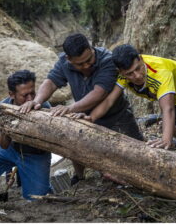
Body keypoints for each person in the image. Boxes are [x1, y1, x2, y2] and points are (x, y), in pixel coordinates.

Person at [19, 33, 143, 186]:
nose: (86, 66)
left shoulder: (108, 60)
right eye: (80, 64)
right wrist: (36, 101)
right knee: (81, 149)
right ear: (69, 59)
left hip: (118, 116)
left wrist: (70, 108)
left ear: (91, 48)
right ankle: (80, 178)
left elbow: (100, 93)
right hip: (85, 118)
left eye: (89, 60)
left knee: (138, 155)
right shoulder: (63, 63)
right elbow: (51, 82)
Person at [77, 44, 176, 152]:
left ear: (141, 59)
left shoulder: (160, 71)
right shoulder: (123, 76)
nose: (136, 76)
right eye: (129, 73)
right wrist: (91, 118)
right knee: (173, 127)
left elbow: (167, 109)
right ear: (121, 72)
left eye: (138, 68)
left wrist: (165, 140)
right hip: (169, 96)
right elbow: (109, 101)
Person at [0, 70, 51, 200]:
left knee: (36, 199)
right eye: (25, 95)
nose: (30, 99)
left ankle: (42, 185)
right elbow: (3, 145)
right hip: (11, 149)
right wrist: (4, 128)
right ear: (12, 94)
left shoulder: (43, 106)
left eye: (33, 93)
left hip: (36, 155)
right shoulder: (2, 108)